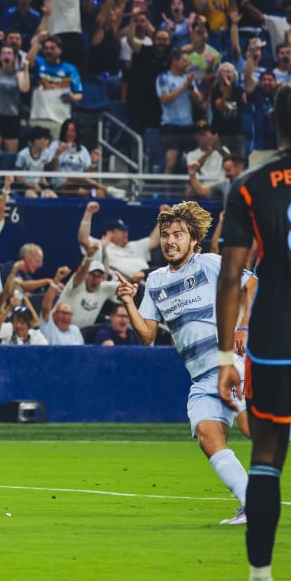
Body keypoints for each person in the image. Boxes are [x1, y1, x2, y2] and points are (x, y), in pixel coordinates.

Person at [217, 78, 291, 581]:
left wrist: (224, 357)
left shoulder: (249, 186)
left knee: (266, 456)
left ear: (277, 123)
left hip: (273, 340)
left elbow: (232, 276)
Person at [117, 202, 254, 525]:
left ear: (193, 240)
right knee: (208, 436)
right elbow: (147, 335)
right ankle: (254, 502)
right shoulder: (155, 281)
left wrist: (244, 327)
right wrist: (128, 302)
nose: (170, 240)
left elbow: (251, 285)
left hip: (229, 363)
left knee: (253, 428)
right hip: (202, 377)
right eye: (166, 235)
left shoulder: (208, 263)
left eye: (178, 234)